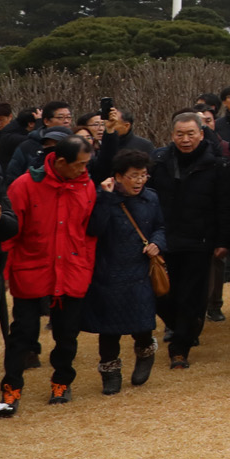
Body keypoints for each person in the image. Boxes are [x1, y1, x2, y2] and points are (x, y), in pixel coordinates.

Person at [0, 134, 99, 416]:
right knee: (23, 334)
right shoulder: (24, 186)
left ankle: (62, 382)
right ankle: (11, 386)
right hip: (31, 271)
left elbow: (86, 234)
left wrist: (86, 267)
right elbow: (9, 234)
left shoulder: (87, 186)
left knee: (67, 334)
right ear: (61, 161)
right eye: (79, 165)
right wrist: (6, 272)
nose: (84, 170)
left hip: (71, 271)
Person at [147, 111, 230, 370]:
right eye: (179, 134)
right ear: (172, 135)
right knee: (162, 294)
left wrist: (224, 240)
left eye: (190, 134)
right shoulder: (160, 160)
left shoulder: (217, 164)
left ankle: (180, 348)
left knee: (192, 297)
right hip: (164, 239)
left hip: (200, 239)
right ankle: (181, 327)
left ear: (201, 133)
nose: (185, 139)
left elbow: (226, 205)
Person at [83, 151, 165, 395]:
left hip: (140, 270)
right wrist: (106, 198)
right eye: (133, 176)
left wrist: (157, 243)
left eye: (143, 175)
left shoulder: (151, 198)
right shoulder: (103, 198)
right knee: (109, 330)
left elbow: (160, 226)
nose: (139, 181)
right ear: (118, 176)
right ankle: (110, 372)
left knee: (142, 324)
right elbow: (94, 228)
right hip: (108, 271)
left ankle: (145, 354)